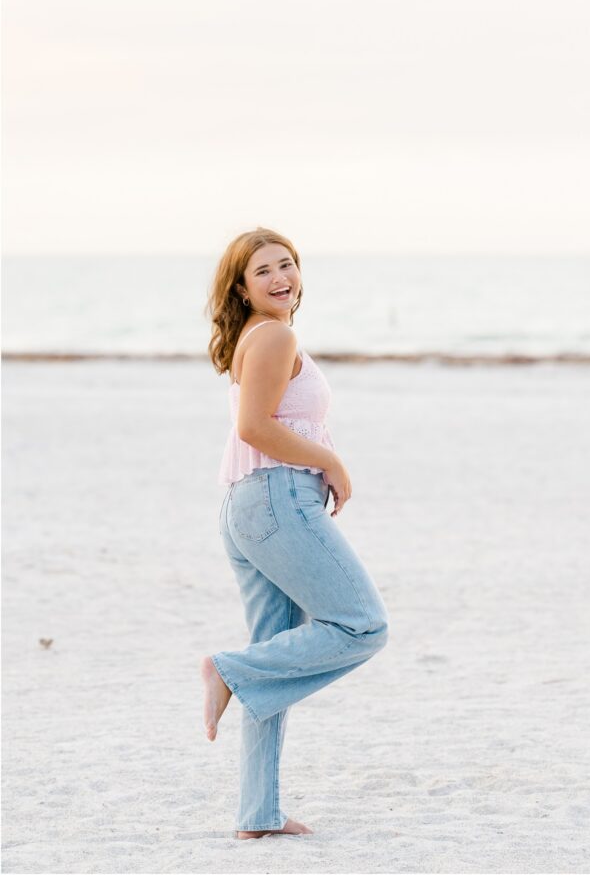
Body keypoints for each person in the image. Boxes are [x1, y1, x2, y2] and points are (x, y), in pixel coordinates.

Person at [200, 227, 390, 839]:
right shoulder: (275, 335)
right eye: (263, 271)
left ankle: (258, 814)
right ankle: (228, 670)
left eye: (287, 265)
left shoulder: (257, 336)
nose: (281, 278)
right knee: (362, 625)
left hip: (252, 505)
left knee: (274, 654)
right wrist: (331, 461)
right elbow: (255, 427)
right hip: (277, 499)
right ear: (241, 287)